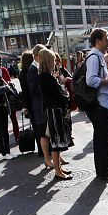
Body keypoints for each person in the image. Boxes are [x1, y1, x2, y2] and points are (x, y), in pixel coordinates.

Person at [85, 28, 108, 181]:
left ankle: (104, 170)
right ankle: (103, 171)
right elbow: (90, 80)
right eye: (106, 39)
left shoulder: (98, 56)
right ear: (98, 41)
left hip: (102, 104)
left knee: (103, 139)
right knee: (102, 140)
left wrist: (107, 78)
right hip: (99, 105)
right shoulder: (94, 57)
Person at [37, 48, 73, 180]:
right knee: (56, 141)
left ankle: (58, 168)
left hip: (54, 110)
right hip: (54, 111)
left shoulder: (47, 76)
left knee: (56, 141)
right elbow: (57, 96)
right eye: (52, 60)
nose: (54, 62)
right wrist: (66, 96)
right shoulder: (46, 77)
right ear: (48, 61)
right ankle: (58, 171)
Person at [28, 44, 52, 165]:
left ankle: (52, 157)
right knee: (43, 133)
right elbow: (34, 89)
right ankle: (47, 158)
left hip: (44, 105)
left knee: (49, 132)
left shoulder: (38, 68)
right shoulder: (32, 70)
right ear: (37, 56)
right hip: (39, 106)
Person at [0, 52, 20, 142]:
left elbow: (9, 82)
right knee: (1, 121)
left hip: (9, 97)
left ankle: (17, 135)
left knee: (14, 117)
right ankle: (3, 139)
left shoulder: (4, 70)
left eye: (0, 60)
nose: (0, 63)